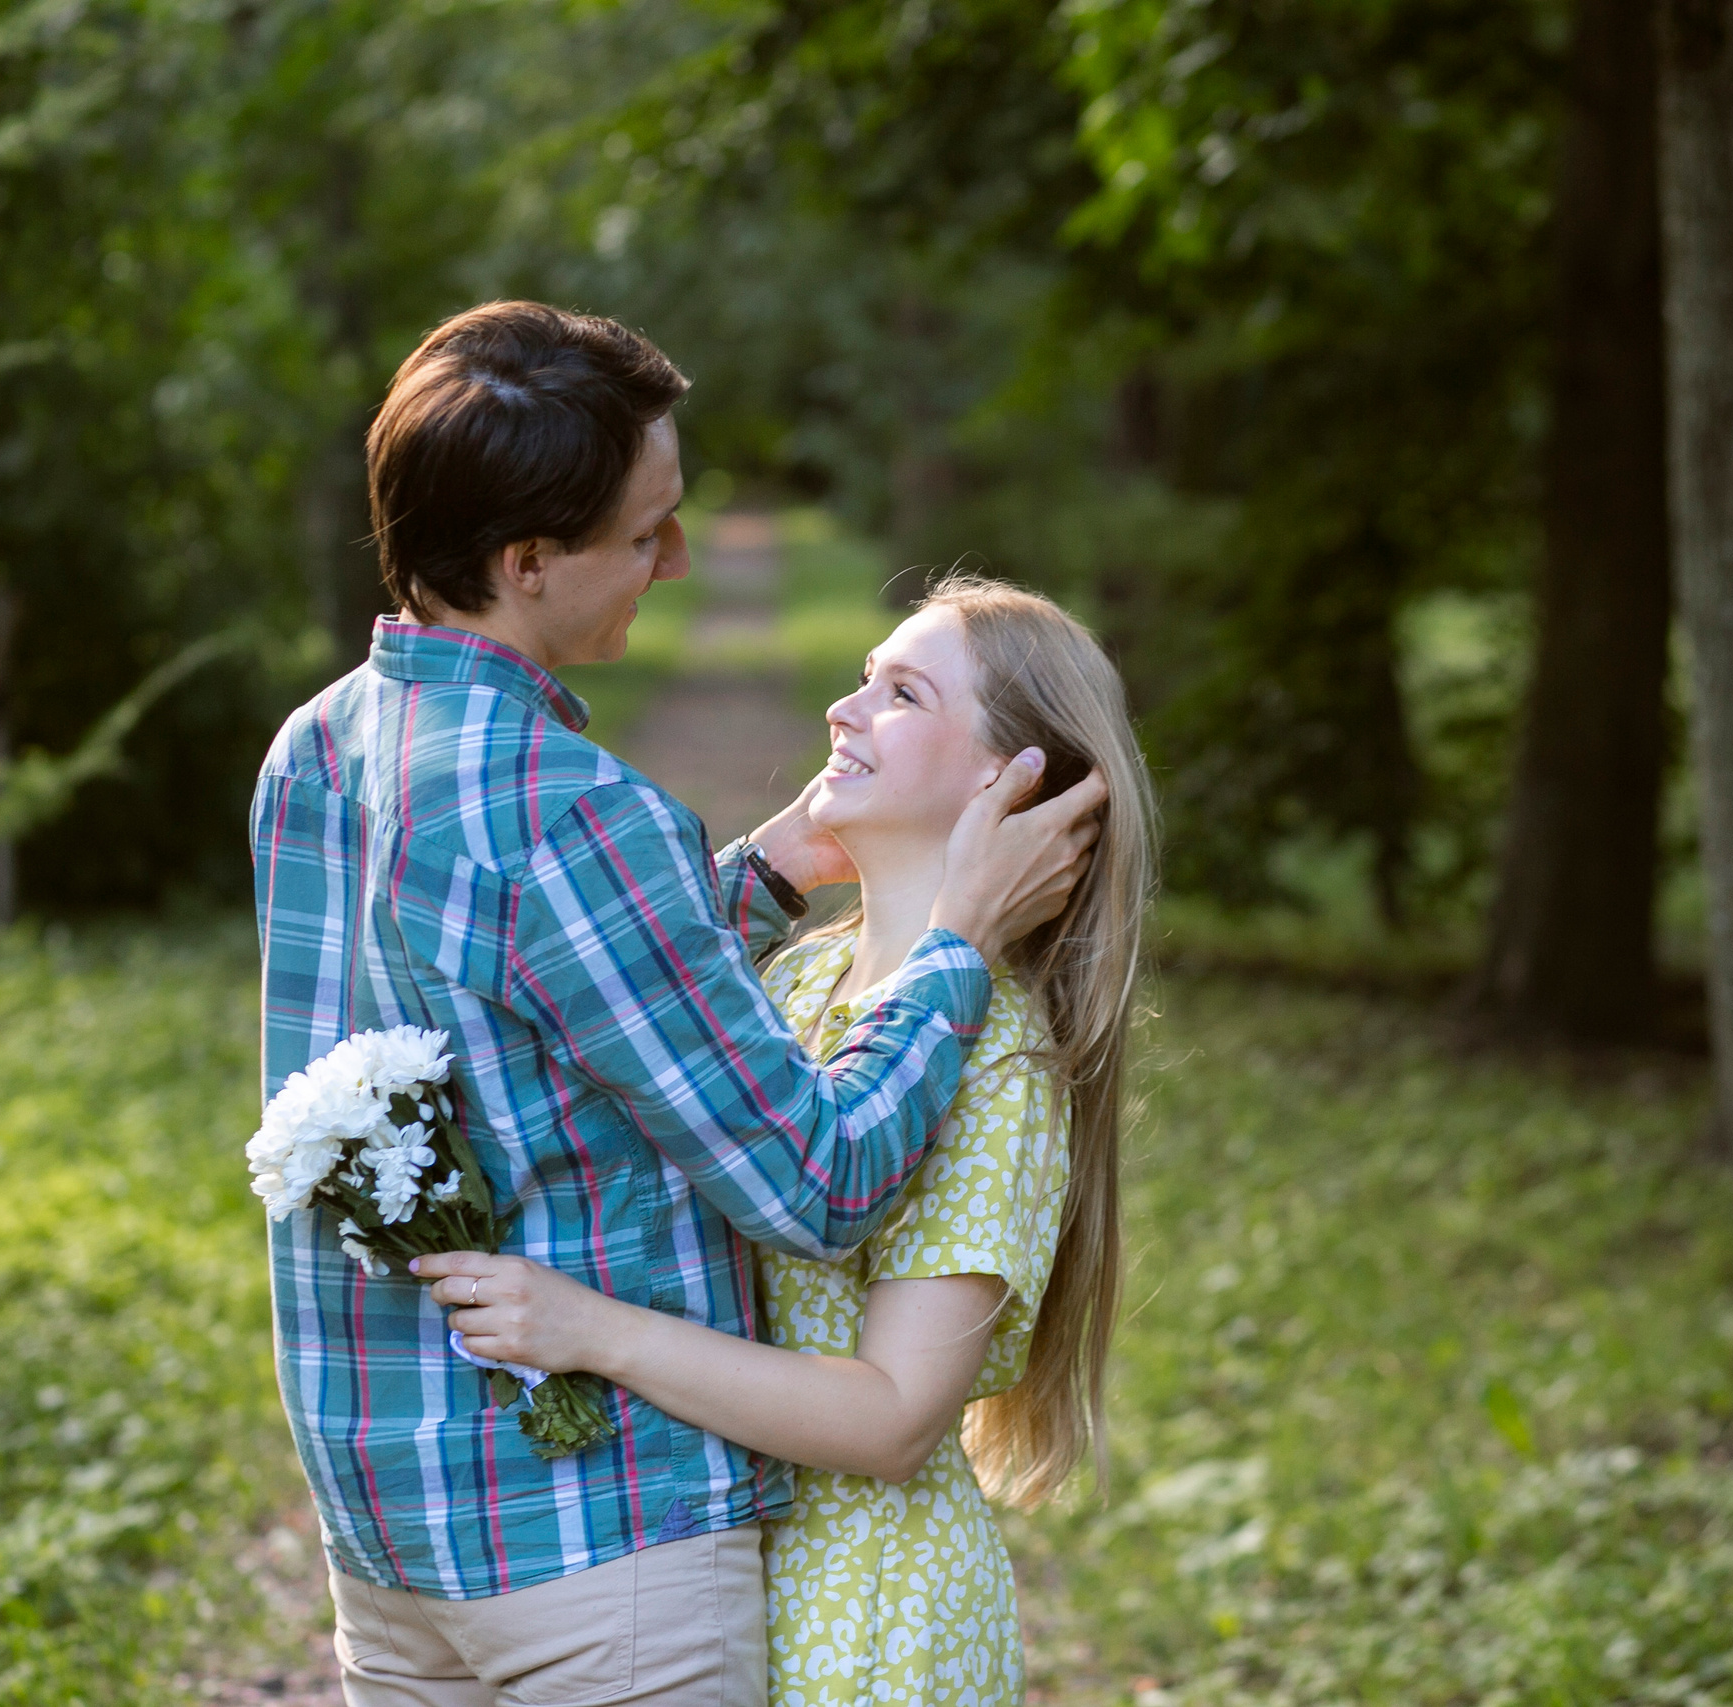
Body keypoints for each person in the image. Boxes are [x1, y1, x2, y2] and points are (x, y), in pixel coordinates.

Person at [250, 301, 1105, 1707]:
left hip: (384, 1526)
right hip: (590, 1550)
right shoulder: (574, 814)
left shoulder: (318, 751)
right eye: (647, 532)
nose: (680, 557)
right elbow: (817, 1181)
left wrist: (764, 870)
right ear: (528, 562)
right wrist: (953, 941)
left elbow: (529, 985)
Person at [418, 577, 1157, 1707]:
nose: (842, 711)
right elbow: (617, 997)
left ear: (1007, 784)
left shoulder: (997, 1056)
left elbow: (895, 1418)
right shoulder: (808, 971)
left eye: (901, 693)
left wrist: (589, 1330)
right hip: (707, 1563)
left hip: (863, 1619)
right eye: (861, 677)